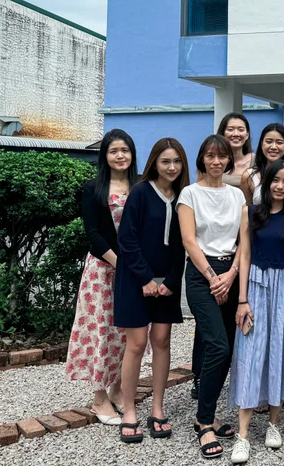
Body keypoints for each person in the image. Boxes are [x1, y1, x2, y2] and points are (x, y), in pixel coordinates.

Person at [228, 160, 284, 464]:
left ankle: (274, 424)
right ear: (268, 182)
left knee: (281, 351)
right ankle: (243, 435)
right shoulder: (250, 213)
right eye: (276, 180)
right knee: (249, 354)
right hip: (257, 287)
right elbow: (245, 255)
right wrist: (242, 299)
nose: (280, 186)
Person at [113, 137, 189, 444]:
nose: (171, 167)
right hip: (135, 280)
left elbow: (184, 243)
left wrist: (171, 282)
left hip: (167, 284)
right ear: (154, 163)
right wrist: (145, 278)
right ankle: (129, 409)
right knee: (137, 343)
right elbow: (127, 239)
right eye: (165, 161)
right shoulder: (142, 192)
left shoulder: (183, 196)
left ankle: (158, 408)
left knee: (161, 341)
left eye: (176, 162)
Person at [180, 134, 247, 459]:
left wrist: (231, 275)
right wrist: (213, 278)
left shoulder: (237, 195)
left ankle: (205, 414)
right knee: (217, 345)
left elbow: (243, 241)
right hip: (200, 275)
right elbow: (190, 241)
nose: (217, 161)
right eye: (210, 155)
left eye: (222, 156)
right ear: (202, 159)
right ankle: (205, 422)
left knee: (228, 348)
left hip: (230, 274)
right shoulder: (189, 194)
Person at [66, 129, 139, 425]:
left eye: (125, 150)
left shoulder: (140, 187)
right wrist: (120, 264)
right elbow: (93, 234)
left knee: (126, 333)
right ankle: (99, 398)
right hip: (102, 272)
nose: (120, 155)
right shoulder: (94, 188)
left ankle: (118, 389)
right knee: (100, 332)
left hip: (132, 272)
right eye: (114, 151)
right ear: (105, 156)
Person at [240, 123, 284, 210]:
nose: (273, 147)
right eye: (269, 141)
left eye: (279, 142)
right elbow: (247, 213)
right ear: (262, 144)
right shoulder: (248, 176)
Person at [218, 113, 254, 186]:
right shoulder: (213, 161)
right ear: (223, 133)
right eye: (230, 129)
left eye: (241, 130)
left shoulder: (257, 161)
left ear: (247, 135)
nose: (236, 134)